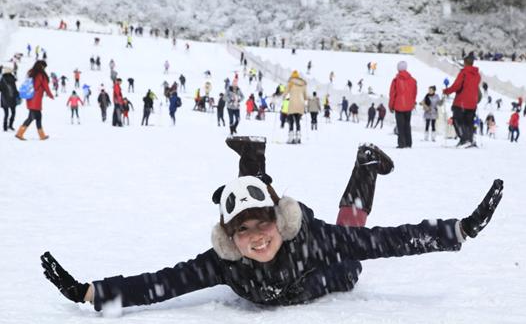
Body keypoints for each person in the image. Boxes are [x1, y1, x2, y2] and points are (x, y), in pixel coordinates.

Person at [40, 137, 505, 313]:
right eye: (243, 232)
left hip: (325, 269)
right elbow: (162, 283)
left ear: (279, 223)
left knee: (355, 239)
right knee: (253, 199)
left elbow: (387, 240)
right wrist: (89, 292)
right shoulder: (225, 263)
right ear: (230, 239)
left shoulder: (314, 239)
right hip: (288, 265)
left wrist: (458, 230)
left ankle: (365, 163)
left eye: (263, 225)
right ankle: (255, 160)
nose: (257, 237)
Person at [443, 55, 481, 148]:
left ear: (465, 62)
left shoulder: (463, 73)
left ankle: (464, 139)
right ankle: (470, 139)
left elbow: (457, 86)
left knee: (457, 120)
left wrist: (446, 91)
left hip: (461, 102)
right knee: (469, 122)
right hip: (472, 103)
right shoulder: (477, 75)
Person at [15, 60, 54, 140]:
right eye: (44, 67)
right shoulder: (40, 75)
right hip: (36, 99)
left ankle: (41, 135)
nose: (44, 69)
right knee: (33, 117)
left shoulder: (31, 73)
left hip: (30, 98)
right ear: (42, 66)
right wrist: (50, 95)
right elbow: (45, 86)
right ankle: (20, 133)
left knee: (36, 116)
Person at [389, 61, 417, 148]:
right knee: (407, 124)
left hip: (398, 106)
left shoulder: (396, 80)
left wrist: (391, 106)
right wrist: (412, 103)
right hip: (409, 106)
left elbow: (392, 94)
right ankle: (409, 143)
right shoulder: (413, 80)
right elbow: (414, 93)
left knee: (400, 125)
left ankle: (402, 143)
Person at [283, 70, 307, 144]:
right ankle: (298, 138)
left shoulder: (291, 82)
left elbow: (286, 92)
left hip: (292, 104)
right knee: (298, 121)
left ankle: (291, 138)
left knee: (291, 121)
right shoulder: (303, 83)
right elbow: (305, 96)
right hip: (300, 104)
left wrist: (283, 97)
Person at [0, 65, 19, 132]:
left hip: (4, 98)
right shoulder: (12, 78)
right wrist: (17, 94)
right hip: (12, 98)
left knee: (6, 113)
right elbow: (15, 89)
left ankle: (5, 127)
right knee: (13, 112)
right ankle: (10, 125)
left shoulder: (2, 79)